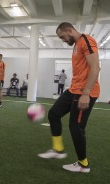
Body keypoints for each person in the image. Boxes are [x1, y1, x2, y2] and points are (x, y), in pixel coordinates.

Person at [38, 22, 100, 173]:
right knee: (54, 114)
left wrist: (85, 93)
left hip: (85, 92)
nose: (63, 40)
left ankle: (83, 164)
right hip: (73, 90)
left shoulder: (86, 40)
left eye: (63, 37)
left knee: (76, 127)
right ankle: (58, 149)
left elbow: (95, 67)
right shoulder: (76, 45)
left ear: (70, 30)